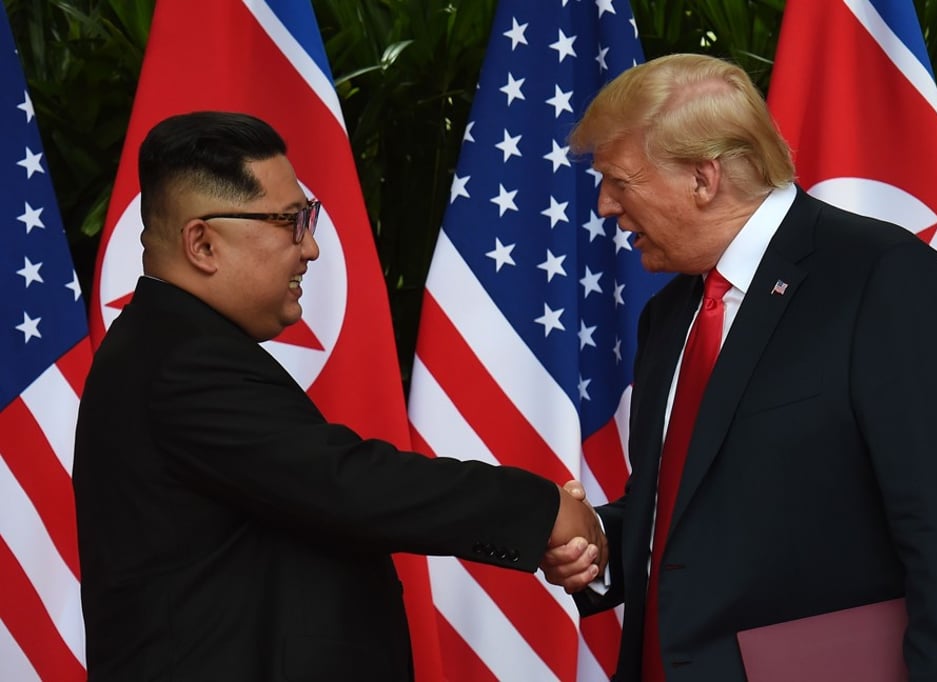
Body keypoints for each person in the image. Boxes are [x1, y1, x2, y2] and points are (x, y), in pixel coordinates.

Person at [73, 110, 605, 681]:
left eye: (309, 219)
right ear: (202, 243)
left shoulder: (169, 345)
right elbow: (349, 482)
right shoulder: (180, 361)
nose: (311, 250)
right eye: (290, 222)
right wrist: (543, 510)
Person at [540, 53, 937, 681]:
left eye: (620, 181)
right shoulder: (669, 313)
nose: (604, 206)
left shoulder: (881, 279)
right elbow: (693, 507)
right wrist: (599, 544)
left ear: (704, 178)